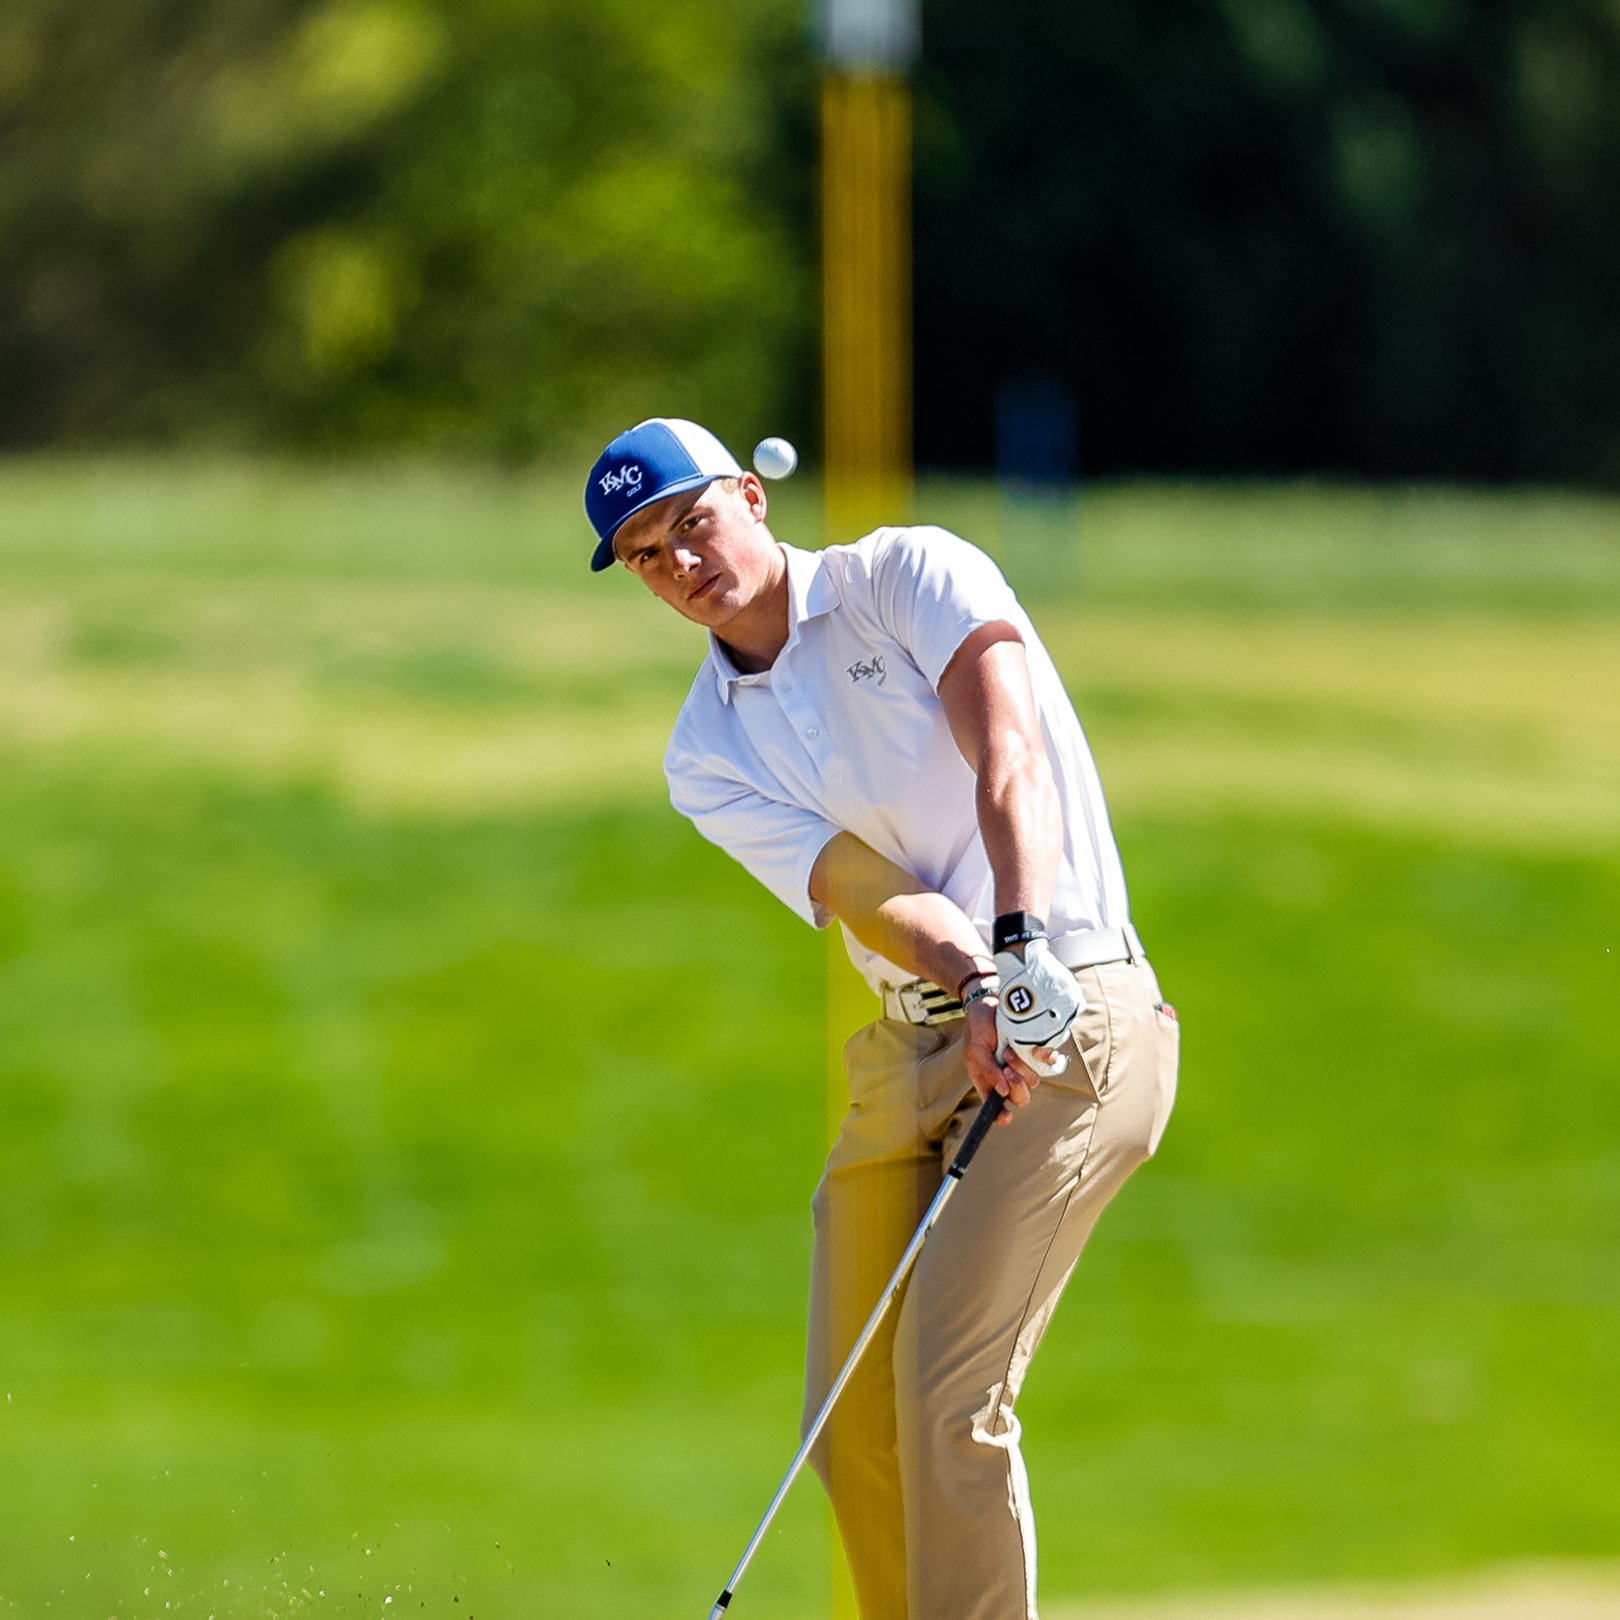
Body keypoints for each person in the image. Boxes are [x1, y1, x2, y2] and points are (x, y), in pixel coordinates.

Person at [583, 417, 1180, 1620]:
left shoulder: (907, 575)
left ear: (750, 498)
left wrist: (1015, 954)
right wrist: (972, 981)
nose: (682, 564)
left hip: (1072, 1018)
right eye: (647, 554)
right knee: (849, 1417)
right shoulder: (706, 750)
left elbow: (1008, 755)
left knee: (944, 1403)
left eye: (691, 523)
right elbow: (866, 890)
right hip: (922, 1040)